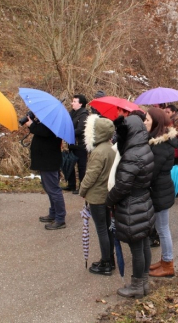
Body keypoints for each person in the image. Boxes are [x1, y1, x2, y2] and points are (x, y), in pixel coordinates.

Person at [106, 114, 155, 298]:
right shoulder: (144, 148)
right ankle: (143, 283)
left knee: (137, 248)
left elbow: (122, 186)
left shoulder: (132, 155)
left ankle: (136, 286)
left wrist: (109, 200)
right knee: (143, 245)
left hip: (131, 205)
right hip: (143, 201)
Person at [79, 114, 116, 275]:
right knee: (107, 228)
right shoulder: (111, 148)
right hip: (107, 195)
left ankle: (106, 263)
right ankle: (110, 259)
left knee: (102, 229)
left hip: (97, 196)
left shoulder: (99, 152)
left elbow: (91, 175)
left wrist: (82, 190)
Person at [144, 108, 178, 277]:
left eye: (147, 120)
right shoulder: (157, 142)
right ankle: (165, 260)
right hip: (161, 189)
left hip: (159, 191)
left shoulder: (159, 147)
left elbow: (151, 172)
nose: (144, 122)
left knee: (163, 229)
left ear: (156, 123)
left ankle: (168, 263)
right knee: (161, 227)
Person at [25, 115, 66, 229]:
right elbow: (41, 131)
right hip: (45, 161)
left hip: (49, 161)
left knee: (53, 190)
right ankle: (53, 213)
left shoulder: (54, 121)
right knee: (49, 189)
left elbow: (44, 132)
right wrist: (34, 123)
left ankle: (60, 219)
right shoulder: (50, 120)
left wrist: (32, 125)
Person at [64, 94, 89, 194]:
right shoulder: (71, 113)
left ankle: (82, 187)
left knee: (81, 167)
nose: (72, 103)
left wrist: (67, 132)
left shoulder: (84, 115)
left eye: (74, 101)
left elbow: (80, 130)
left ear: (81, 104)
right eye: (72, 101)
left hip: (81, 145)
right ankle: (71, 185)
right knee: (70, 163)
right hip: (72, 143)